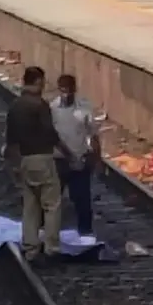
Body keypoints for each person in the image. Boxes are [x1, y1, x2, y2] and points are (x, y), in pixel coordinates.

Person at [5, 66, 69, 261]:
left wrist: (14, 164)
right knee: (51, 204)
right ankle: (51, 247)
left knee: (30, 205)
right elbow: (50, 133)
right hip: (43, 158)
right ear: (38, 82)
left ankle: (30, 247)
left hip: (24, 159)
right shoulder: (39, 105)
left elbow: (10, 138)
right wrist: (66, 151)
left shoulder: (16, 105)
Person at [51, 74, 99, 243]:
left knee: (82, 200)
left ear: (74, 89)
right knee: (53, 201)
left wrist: (95, 158)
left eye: (69, 90)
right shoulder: (52, 109)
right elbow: (50, 136)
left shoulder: (84, 108)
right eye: (63, 91)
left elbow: (93, 134)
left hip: (79, 161)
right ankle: (49, 235)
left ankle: (85, 234)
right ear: (59, 90)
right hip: (59, 162)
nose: (66, 94)